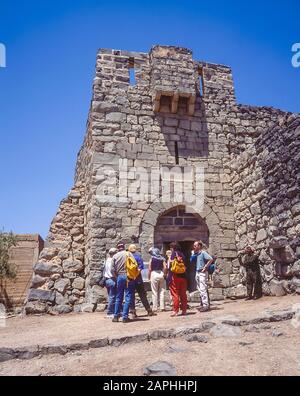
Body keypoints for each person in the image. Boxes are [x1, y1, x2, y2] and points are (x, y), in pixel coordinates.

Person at [111, 242, 137, 323]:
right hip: (128, 276)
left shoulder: (115, 256)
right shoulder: (128, 254)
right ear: (124, 246)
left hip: (119, 276)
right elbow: (134, 265)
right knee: (128, 296)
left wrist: (116, 277)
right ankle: (125, 317)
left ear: (117, 248)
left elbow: (112, 269)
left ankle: (116, 316)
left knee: (119, 296)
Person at [128, 244, 154, 318]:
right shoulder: (138, 257)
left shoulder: (128, 257)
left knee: (131, 296)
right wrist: (136, 275)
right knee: (142, 295)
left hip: (130, 279)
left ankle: (133, 312)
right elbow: (141, 268)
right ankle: (149, 310)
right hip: (138, 279)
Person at [190, 241, 214, 312]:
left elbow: (210, 259)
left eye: (195, 245)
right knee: (200, 289)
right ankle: (203, 303)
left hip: (202, 272)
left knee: (203, 288)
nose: (194, 247)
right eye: (194, 246)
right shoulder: (196, 254)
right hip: (197, 272)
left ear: (199, 246)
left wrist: (205, 267)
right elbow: (191, 261)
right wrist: (192, 254)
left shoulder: (203, 253)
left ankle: (206, 305)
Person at [168, 242, 188, 317]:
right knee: (183, 294)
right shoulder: (183, 255)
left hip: (175, 276)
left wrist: (169, 258)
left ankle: (175, 311)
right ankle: (184, 310)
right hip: (183, 276)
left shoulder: (173, 254)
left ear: (172, 248)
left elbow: (170, 266)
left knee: (175, 294)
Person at [148, 247, 167, 312]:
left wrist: (149, 276)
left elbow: (150, 269)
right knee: (162, 291)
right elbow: (165, 267)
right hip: (161, 273)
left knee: (154, 291)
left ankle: (155, 307)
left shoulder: (152, 259)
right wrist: (164, 274)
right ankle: (162, 307)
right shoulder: (162, 259)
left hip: (154, 273)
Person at [103, 247, 118, 318]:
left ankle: (113, 311)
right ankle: (110, 312)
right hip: (112, 279)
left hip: (107, 279)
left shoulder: (106, 260)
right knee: (113, 296)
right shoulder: (112, 260)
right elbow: (112, 270)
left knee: (110, 296)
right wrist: (116, 277)